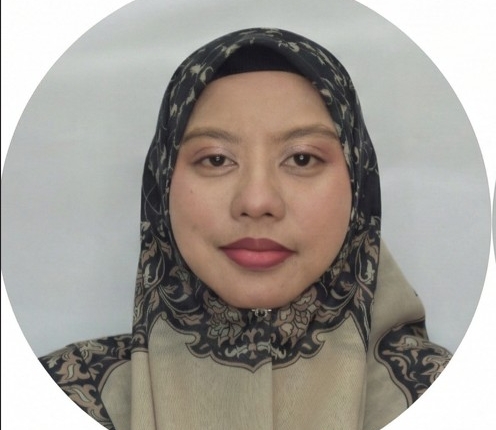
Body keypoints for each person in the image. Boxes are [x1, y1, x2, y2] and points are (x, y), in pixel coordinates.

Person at [39, 28, 452, 430]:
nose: (257, 201)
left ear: (358, 188)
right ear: (162, 188)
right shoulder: (55, 395)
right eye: (216, 159)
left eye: (302, 158)